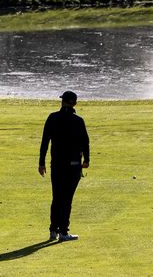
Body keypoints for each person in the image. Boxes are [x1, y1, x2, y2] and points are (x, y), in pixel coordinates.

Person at [39, 90, 91, 243]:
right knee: (67, 199)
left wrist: (41, 162)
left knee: (57, 197)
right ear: (74, 103)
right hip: (73, 165)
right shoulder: (78, 121)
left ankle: (53, 230)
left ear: (63, 102)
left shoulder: (52, 117)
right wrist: (86, 160)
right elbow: (85, 142)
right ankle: (63, 231)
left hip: (56, 164)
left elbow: (45, 142)